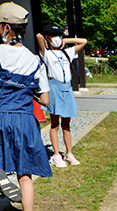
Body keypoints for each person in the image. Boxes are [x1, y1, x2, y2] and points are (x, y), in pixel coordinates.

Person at [0, 1, 51, 211]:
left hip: (0, 115)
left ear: (6, 27)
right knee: (25, 174)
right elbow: (45, 101)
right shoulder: (34, 60)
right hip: (24, 120)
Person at [36, 25, 87, 168]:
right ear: (48, 38)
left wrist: (65, 41)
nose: (56, 38)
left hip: (67, 88)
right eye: (53, 35)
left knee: (66, 124)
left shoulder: (67, 53)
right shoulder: (46, 54)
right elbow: (39, 36)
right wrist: (46, 41)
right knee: (55, 124)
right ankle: (56, 155)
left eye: (58, 35)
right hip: (54, 88)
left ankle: (69, 153)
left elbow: (84, 41)